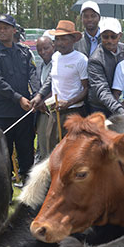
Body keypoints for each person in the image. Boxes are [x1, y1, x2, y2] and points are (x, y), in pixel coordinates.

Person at [0, 14, 40, 184]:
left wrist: (37, 95)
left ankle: (28, 193)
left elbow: (33, 75)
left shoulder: (24, 52)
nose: (2, 31)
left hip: (23, 113)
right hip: (2, 114)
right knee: (2, 156)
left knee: (26, 154)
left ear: (14, 30)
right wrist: (18, 98)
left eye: (6, 27)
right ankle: (5, 194)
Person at [31, 20, 89, 151]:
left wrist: (68, 103)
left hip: (73, 112)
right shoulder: (56, 57)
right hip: (54, 112)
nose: (60, 43)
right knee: (52, 149)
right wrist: (40, 96)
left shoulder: (81, 60)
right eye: (57, 39)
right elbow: (52, 80)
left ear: (73, 40)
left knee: (72, 151)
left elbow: (86, 89)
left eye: (64, 39)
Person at [87, 17, 124, 116]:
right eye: (105, 37)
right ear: (100, 36)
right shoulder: (95, 59)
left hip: (123, 102)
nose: (109, 40)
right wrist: (120, 111)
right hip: (101, 107)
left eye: (113, 36)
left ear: (120, 36)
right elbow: (102, 91)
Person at [34, 36, 54, 161]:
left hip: (54, 109)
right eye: (39, 50)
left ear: (53, 46)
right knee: (42, 142)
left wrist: (44, 100)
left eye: (46, 48)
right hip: (42, 112)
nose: (43, 52)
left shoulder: (58, 64)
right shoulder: (39, 67)